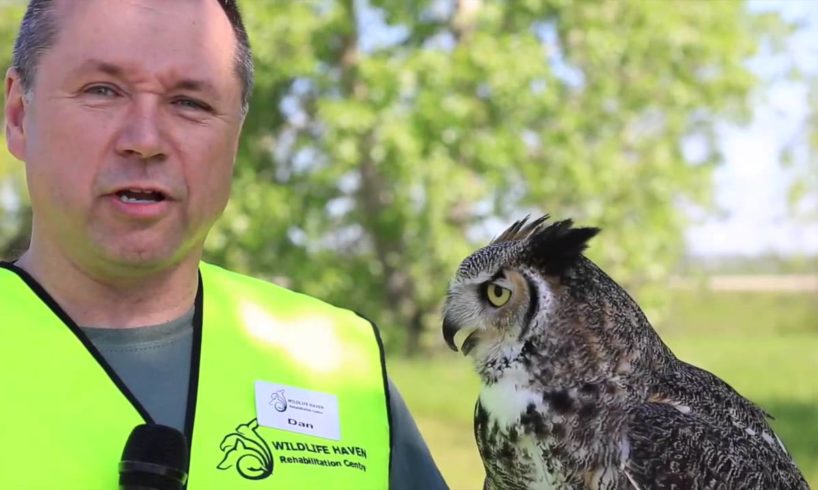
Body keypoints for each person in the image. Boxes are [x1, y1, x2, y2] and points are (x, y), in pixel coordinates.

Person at [0, 1, 448, 488]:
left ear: (235, 136)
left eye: (190, 102)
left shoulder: (338, 363)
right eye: (103, 91)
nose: (145, 139)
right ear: (20, 115)